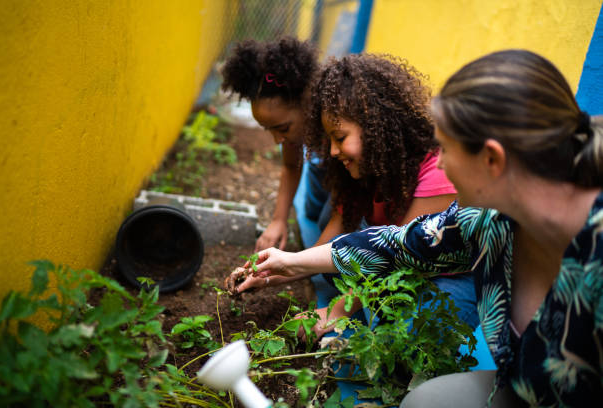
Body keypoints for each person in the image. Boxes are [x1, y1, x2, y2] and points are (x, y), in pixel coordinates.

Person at [241, 49, 603, 406]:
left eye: (445, 149)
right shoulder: (489, 220)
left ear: (492, 159)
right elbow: (400, 243)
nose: (440, 163)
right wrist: (292, 263)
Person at [227, 54, 478, 341]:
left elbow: (402, 257)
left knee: (410, 332)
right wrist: (271, 274)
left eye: (340, 138)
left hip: (444, 276)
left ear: (374, 127)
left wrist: (336, 311)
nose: (332, 152)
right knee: (334, 267)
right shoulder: (368, 169)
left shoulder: (434, 169)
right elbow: (334, 233)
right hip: (396, 261)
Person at [221, 36, 328, 252]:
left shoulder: (333, 122)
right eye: (269, 130)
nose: (277, 140)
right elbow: (290, 166)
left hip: (348, 186)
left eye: (283, 129)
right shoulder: (294, 127)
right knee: (312, 212)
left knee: (327, 223)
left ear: (307, 104)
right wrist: (278, 220)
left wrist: (306, 262)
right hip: (321, 172)